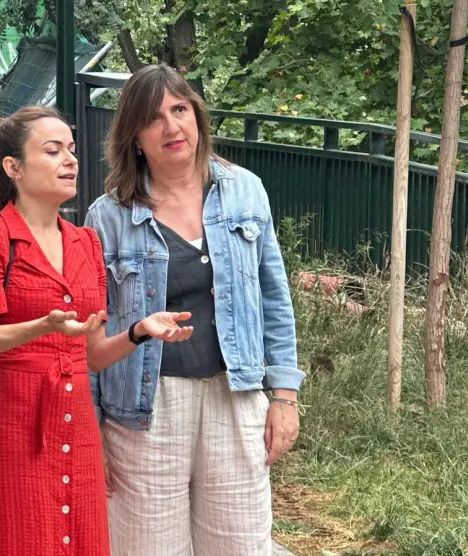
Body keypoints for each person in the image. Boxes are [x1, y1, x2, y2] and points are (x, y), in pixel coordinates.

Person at [84, 63, 305, 555]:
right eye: (153, 118)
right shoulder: (109, 216)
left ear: (197, 116)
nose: (171, 126)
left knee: (242, 545)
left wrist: (284, 398)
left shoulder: (245, 190)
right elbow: (94, 329)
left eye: (179, 110)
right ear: (134, 137)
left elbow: (275, 298)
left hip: (235, 395)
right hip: (145, 411)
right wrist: (92, 428)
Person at [0, 105, 194, 556]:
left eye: (71, 149)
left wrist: (139, 331)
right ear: (13, 167)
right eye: (53, 151)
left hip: (78, 421)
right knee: (20, 540)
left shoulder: (85, 241)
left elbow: (91, 354)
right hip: (16, 418)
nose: (71, 160)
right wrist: (39, 328)